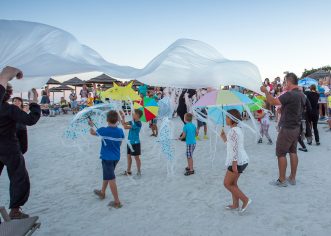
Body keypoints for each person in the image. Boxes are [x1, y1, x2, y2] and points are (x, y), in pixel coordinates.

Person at [0, 83, 41, 219]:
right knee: (19, 177)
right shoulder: (8, 109)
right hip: (9, 148)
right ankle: (15, 211)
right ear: (8, 93)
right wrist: (34, 103)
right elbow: (30, 120)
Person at [261, 73, 305, 187]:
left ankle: (282, 180)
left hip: (287, 127)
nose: (284, 84)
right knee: (293, 152)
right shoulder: (301, 94)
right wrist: (283, 110)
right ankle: (292, 178)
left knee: (281, 153)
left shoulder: (289, 94)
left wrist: (265, 91)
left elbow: (272, 102)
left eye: (285, 82)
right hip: (296, 127)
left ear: (288, 82)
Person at [89, 111, 124, 209]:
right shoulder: (120, 131)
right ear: (117, 120)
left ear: (107, 120)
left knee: (111, 178)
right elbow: (120, 143)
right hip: (116, 157)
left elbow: (92, 132)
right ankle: (102, 192)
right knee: (107, 175)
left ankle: (117, 201)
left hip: (106, 157)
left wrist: (91, 125)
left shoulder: (103, 130)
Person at [220, 109, 251, 213]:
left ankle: (245, 200)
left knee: (227, 183)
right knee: (233, 183)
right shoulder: (236, 129)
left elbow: (235, 149)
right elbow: (231, 145)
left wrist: (234, 164)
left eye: (227, 117)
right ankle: (235, 204)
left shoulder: (233, 131)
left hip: (237, 161)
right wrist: (224, 138)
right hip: (241, 160)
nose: (226, 119)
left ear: (232, 119)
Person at [120, 109, 143, 176]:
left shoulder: (138, 123)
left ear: (138, 115)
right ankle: (128, 171)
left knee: (136, 158)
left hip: (135, 143)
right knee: (129, 157)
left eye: (133, 114)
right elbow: (124, 124)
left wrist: (124, 122)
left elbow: (125, 127)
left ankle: (139, 171)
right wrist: (123, 117)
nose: (132, 114)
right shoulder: (132, 121)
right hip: (129, 142)